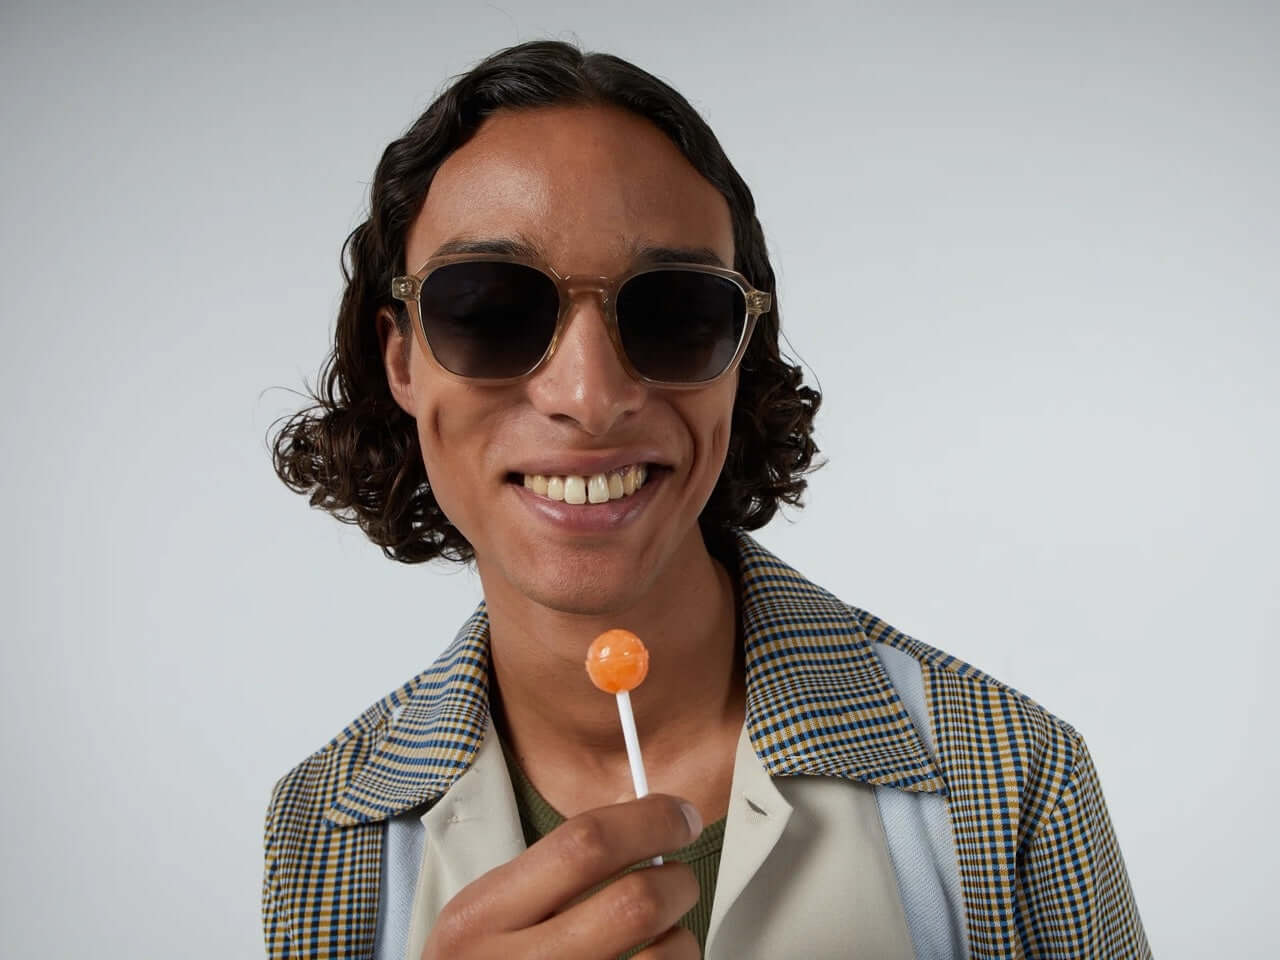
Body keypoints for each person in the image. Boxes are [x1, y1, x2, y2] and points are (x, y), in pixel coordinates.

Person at [263, 40, 1151, 960]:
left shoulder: (1009, 779)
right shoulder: (325, 833)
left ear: (739, 354)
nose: (590, 392)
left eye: (674, 312)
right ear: (401, 356)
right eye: (488, 308)